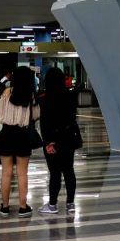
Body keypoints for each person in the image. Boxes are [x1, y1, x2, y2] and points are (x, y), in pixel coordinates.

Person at [0, 66, 40, 217]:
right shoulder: (31, 96)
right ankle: (22, 206)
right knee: (22, 174)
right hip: (23, 135)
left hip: (6, 133)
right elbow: (35, 116)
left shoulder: (6, 93)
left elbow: (0, 115)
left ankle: (5, 207)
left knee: (6, 173)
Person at [38, 67, 80, 215]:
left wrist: (47, 142)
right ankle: (70, 204)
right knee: (69, 170)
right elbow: (72, 119)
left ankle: (53, 205)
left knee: (55, 173)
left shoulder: (44, 99)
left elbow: (44, 123)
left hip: (53, 141)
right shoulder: (70, 96)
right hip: (68, 139)